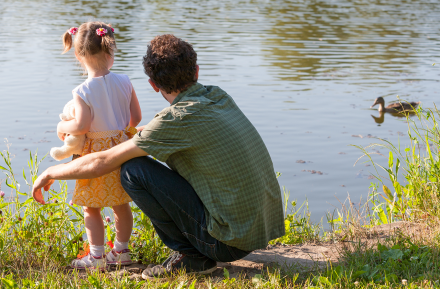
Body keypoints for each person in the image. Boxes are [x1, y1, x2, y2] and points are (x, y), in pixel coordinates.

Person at [32, 34, 284, 279]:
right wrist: (134, 132)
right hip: (259, 229)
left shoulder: (175, 120)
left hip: (226, 244)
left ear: (153, 85)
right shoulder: (216, 95)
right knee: (137, 159)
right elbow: (161, 127)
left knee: (133, 170)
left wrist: (50, 172)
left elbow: (102, 161)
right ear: (196, 71)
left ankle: (191, 257)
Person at [33, 22, 142, 271]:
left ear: (78, 56)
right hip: (120, 149)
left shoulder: (82, 90)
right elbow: (135, 118)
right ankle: (122, 252)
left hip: (94, 154)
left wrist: (63, 128)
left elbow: (82, 126)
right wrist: (117, 130)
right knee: (120, 203)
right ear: (110, 52)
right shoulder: (125, 81)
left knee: (91, 208)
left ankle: (96, 257)